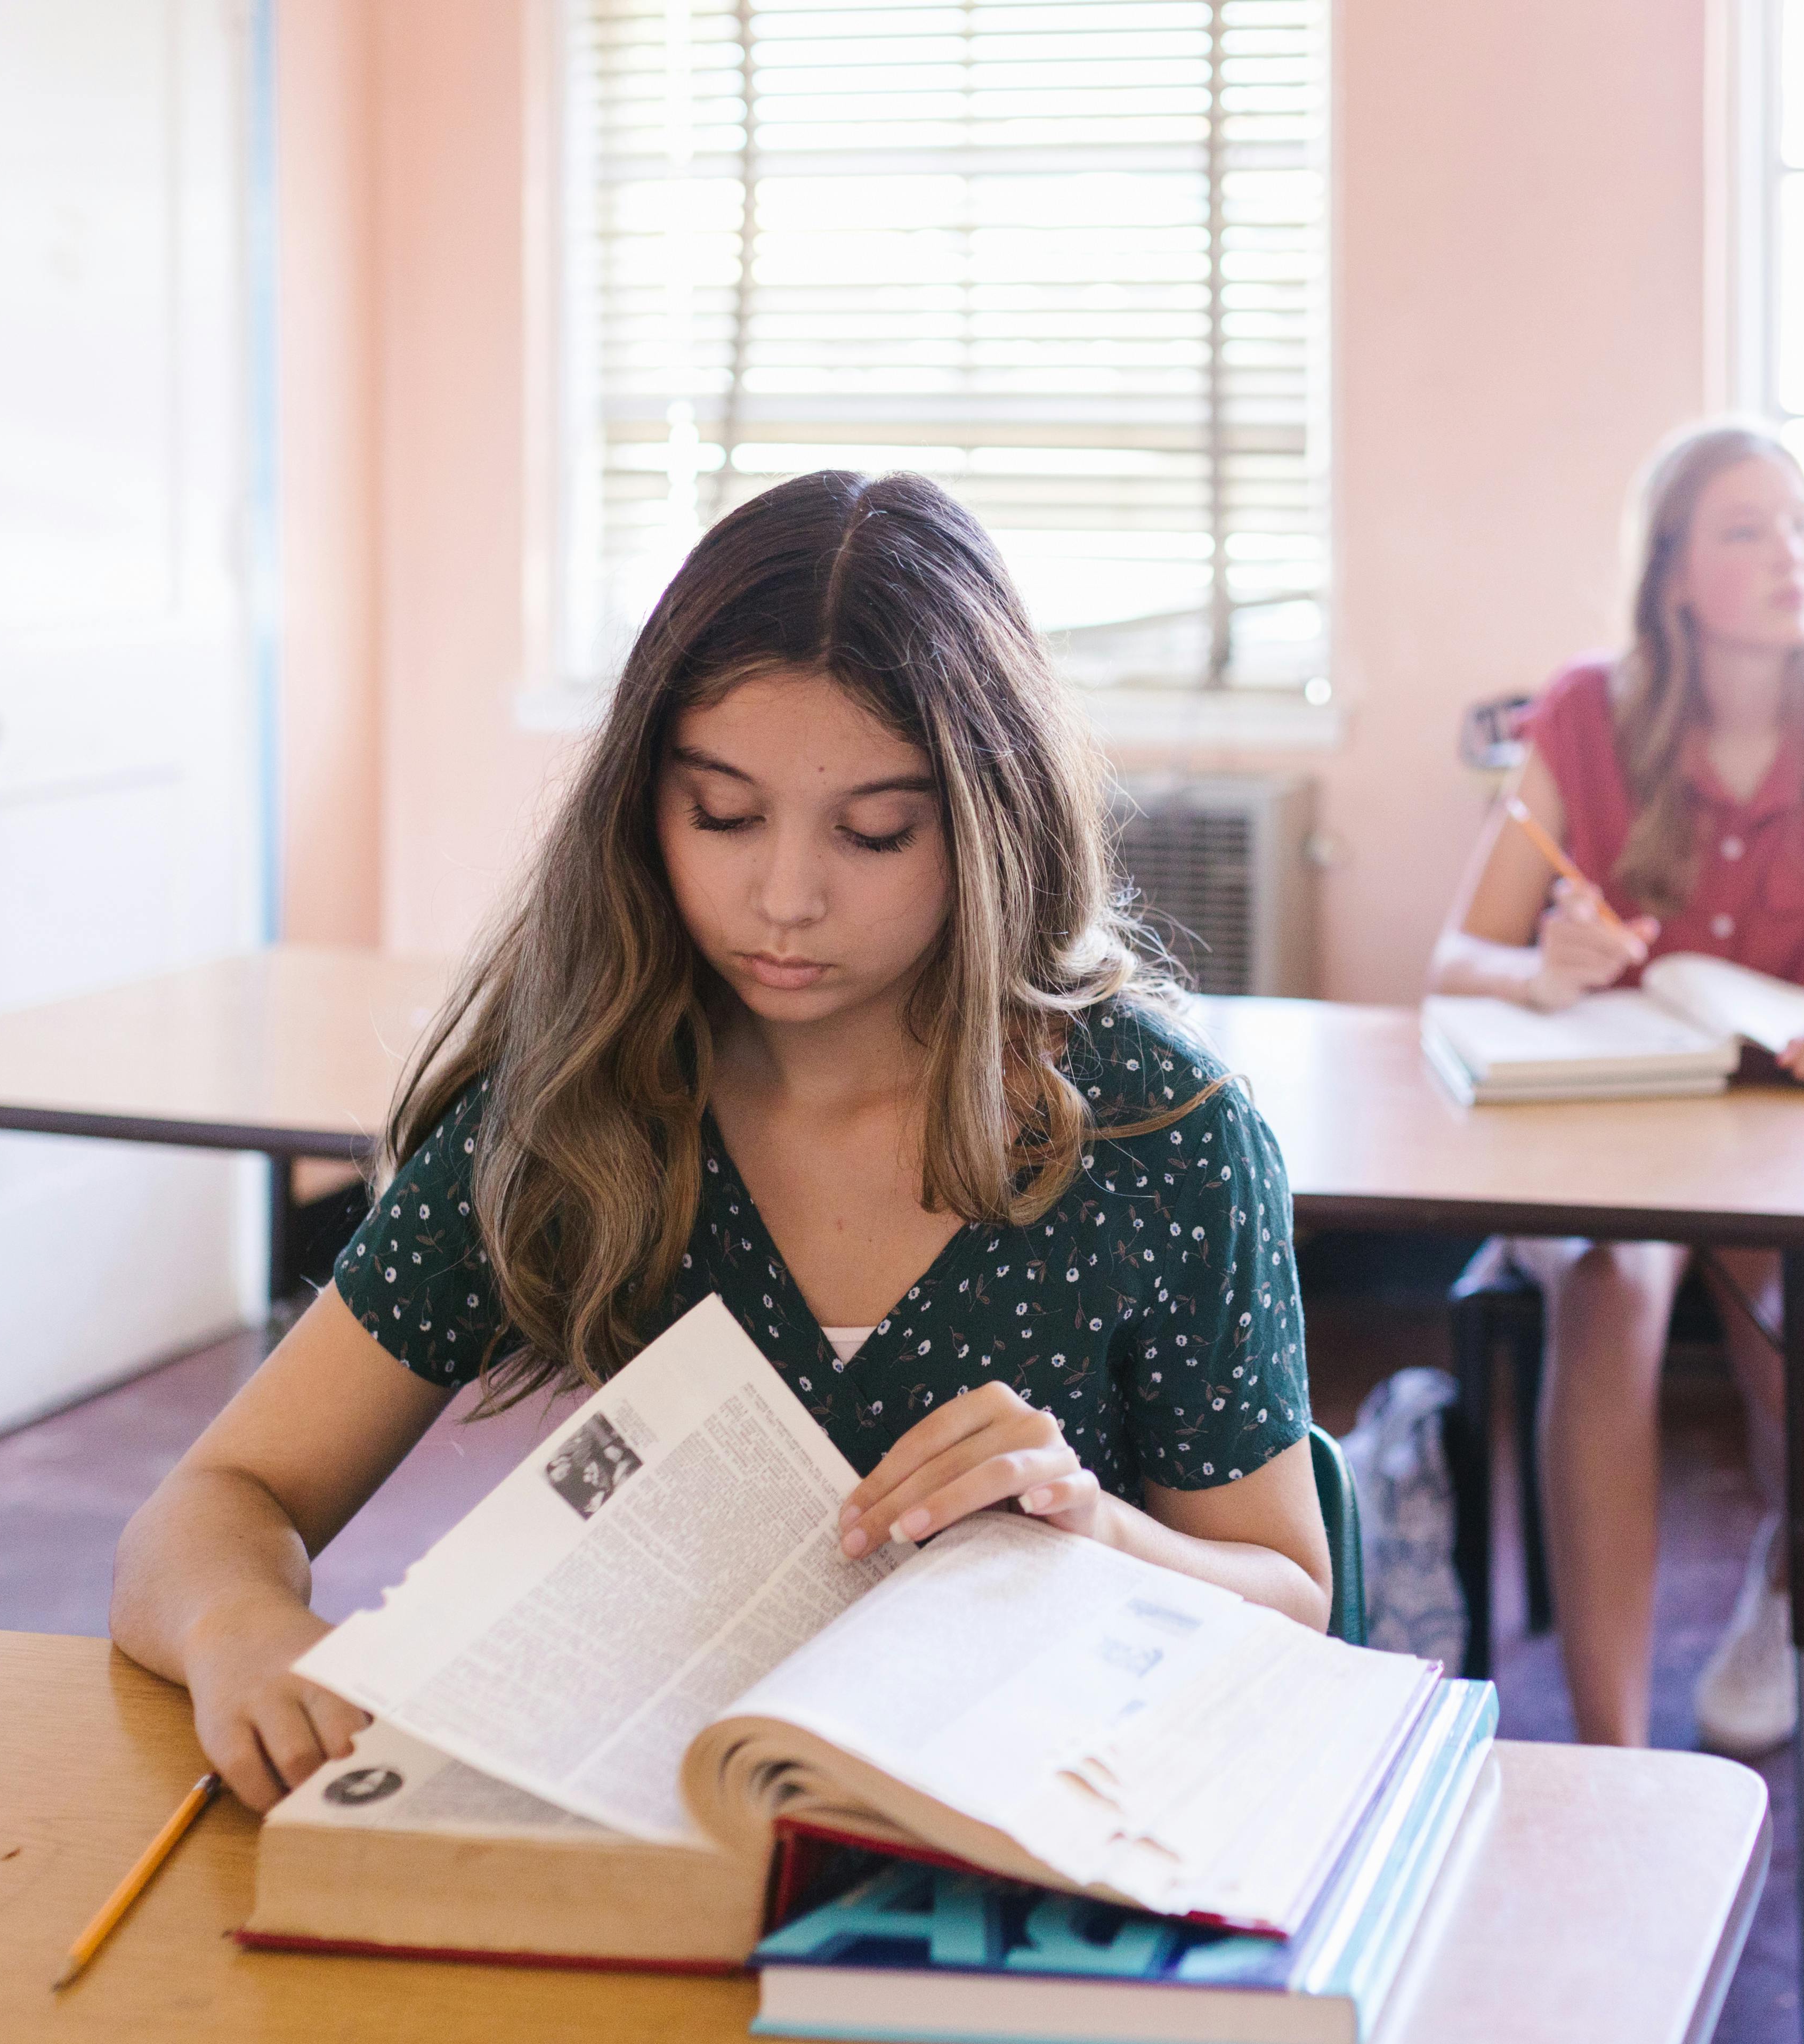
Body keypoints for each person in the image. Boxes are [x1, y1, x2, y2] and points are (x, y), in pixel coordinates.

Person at [111, 471, 1331, 1809]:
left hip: (1026, 1825)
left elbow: (1290, 1601)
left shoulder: (1164, 1135)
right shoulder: (582, 1104)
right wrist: (242, 1633)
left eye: (875, 831)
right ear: (644, 804)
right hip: (663, 1817)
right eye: (724, 815)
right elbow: (216, 1499)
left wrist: (1090, 1525)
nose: (787, 898)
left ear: (992, 822)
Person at [1427, 419, 1804, 1756]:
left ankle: (1801, 1567)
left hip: (1799, 1129)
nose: (1788, 554)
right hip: (1609, 1120)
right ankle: (1611, 1754)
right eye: (1746, 530)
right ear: (1675, 574)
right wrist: (1544, 970)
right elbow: (1458, 959)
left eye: (1801, 526)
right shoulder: (1587, 713)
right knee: (1607, 1289)